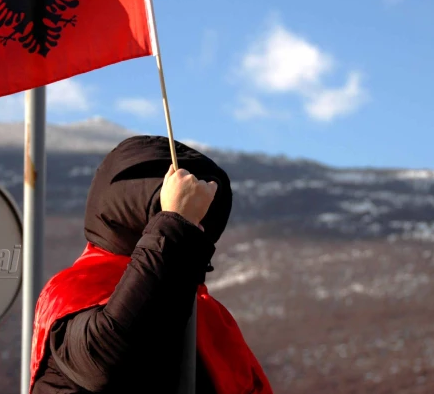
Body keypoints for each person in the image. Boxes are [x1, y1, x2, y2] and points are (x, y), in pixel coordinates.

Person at [29, 135, 273, 394]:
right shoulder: (73, 290)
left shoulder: (207, 316)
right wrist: (176, 224)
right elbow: (111, 362)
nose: (199, 229)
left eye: (202, 220)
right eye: (193, 217)